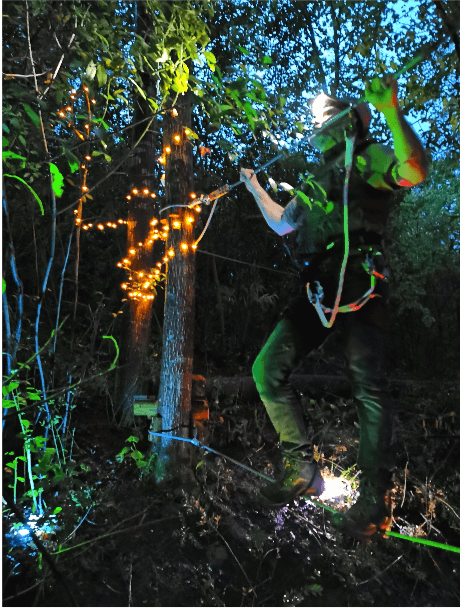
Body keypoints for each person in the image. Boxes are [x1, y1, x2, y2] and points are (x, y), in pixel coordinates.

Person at [240, 75, 428, 540]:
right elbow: (284, 223)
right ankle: (301, 468)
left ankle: (373, 501)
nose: (316, 127)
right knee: (266, 369)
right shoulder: (314, 178)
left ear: (345, 123)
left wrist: (390, 110)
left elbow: (415, 169)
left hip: (363, 280)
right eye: (315, 122)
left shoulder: (367, 157)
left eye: (324, 119)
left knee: (367, 383)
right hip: (320, 289)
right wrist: (255, 187)